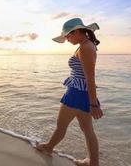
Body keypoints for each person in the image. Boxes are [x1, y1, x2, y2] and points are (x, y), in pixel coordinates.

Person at [35, 18, 104, 166]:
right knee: (87, 130)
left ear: (77, 31)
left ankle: (48, 147)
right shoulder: (85, 45)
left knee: (61, 125)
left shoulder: (86, 48)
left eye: (68, 36)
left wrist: (93, 104)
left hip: (76, 94)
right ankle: (93, 163)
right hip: (82, 93)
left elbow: (90, 78)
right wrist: (91, 101)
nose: (67, 39)